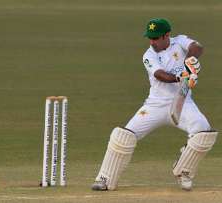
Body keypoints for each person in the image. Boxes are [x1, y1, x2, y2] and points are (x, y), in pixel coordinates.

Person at [91, 18, 218, 191]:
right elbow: (159, 74)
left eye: (156, 38)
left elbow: (197, 47)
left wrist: (190, 61)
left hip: (182, 103)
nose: (152, 41)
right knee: (123, 137)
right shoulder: (149, 55)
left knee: (204, 133)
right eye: (150, 38)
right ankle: (105, 178)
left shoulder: (179, 41)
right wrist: (181, 77)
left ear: (167, 35)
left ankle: (183, 170)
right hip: (155, 105)